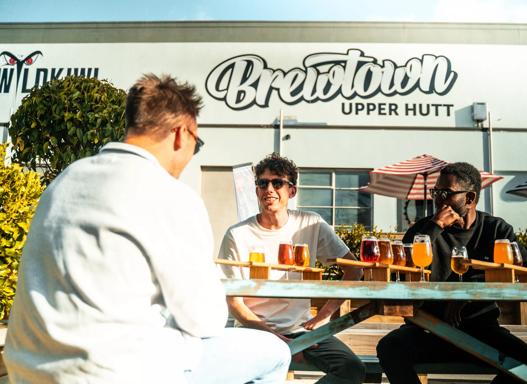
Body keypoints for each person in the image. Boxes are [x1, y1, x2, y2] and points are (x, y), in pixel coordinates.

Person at [4, 74, 291, 384]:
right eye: (197, 144)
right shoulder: (172, 195)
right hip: (110, 374)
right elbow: (205, 319)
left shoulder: (65, 180)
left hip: (30, 369)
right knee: (274, 352)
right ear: (181, 134)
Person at [377, 162, 527, 384]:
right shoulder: (422, 231)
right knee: (389, 347)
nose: (438, 199)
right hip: (429, 332)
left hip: (481, 332)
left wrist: (467, 294)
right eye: (436, 192)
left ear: (470, 198)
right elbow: (401, 275)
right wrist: (435, 227)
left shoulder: (496, 230)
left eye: (446, 193)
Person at [218, 153, 366, 384]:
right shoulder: (237, 235)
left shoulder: (311, 223)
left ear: (292, 191)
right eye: (262, 183)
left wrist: (325, 315)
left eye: (277, 183)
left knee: (351, 369)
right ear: (256, 190)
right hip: (253, 331)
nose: (269, 189)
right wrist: (273, 337)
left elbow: (354, 269)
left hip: (302, 332)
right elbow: (234, 302)